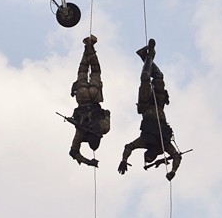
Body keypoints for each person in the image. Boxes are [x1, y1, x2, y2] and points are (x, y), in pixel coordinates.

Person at [118, 38, 182, 180]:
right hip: (159, 104)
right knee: (159, 77)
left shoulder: (144, 141)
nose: (150, 155)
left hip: (146, 105)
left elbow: (128, 147)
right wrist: (173, 171)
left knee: (145, 77)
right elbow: (177, 156)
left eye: (148, 156)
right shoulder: (164, 145)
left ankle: (147, 56)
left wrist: (124, 160)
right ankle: (147, 56)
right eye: (151, 157)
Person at [67, 35, 111, 167]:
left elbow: (107, 112)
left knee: (95, 71)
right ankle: (88, 46)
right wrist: (88, 162)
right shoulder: (81, 134)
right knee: (82, 70)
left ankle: (89, 47)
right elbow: (73, 153)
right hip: (82, 98)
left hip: (94, 96)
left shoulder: (104, 128)